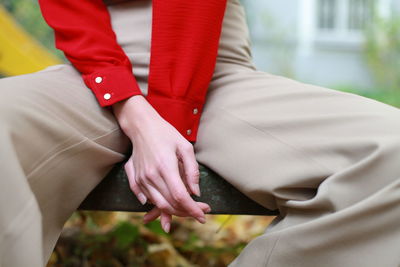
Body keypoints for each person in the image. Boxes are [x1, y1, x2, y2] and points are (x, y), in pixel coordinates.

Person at [1, 0, 400, 266]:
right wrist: (133, 108)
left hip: (215, 70)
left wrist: (170, 115)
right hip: (90, 67)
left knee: (393, 151)